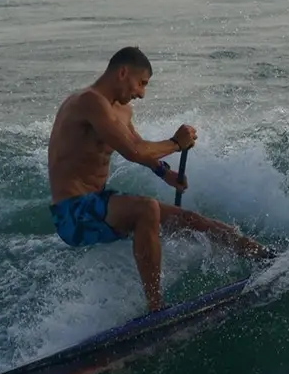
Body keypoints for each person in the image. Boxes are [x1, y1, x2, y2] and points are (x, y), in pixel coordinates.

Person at [47, 46, 274, 312]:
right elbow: (132, 152)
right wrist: (177, 143)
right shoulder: (88, 101)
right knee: (146, 209)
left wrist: (164, 172)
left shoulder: (121, 110)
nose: (141, 93)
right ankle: (156, 308)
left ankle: (267, 258)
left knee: (192, 220)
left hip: (98, 203)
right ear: (123, 72)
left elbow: (137, 144)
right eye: (141, 83)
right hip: (73, 215)